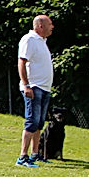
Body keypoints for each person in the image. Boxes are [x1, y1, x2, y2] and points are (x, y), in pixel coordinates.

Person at [16, 14, 55, 168]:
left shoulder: (42, 41)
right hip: (34, 87)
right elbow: (22, 61)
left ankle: (35, 154)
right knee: (31, 121)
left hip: (44, 88)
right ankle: (22, 156)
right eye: (49, 24)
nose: (52, 27)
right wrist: (26, 85)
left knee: (39, 123)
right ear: (40, 26)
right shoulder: (29, 39)